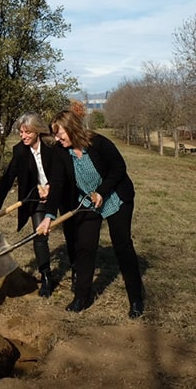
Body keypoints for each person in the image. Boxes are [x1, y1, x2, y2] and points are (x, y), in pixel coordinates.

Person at [39, 102, 145, 318]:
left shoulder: (98, 143)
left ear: (72, 128)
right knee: (85, 248)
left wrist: (101, 192)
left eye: (60, 135)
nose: (58, 140)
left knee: (122, 246)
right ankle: (81, 297)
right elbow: (57, 183)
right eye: (55, 136)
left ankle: (136, 299)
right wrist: (49, 215)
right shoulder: (61, 152)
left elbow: (118, 169)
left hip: (116, 197)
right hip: (86, 202)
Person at [0, 112, 65, 297]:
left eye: (27, 132)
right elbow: (6, 180)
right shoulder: (20, 151)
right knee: (39, 235)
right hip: (36, 198)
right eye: (21, 132)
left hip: (61, 192)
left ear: (37, 131)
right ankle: (46, 276)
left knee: (72, 233)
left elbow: (62, 175)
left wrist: (51, 188)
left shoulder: (53, 147)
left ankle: (78, 271)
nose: (23, 136)